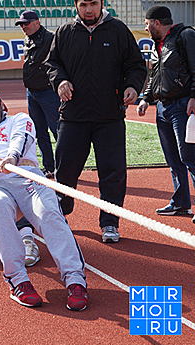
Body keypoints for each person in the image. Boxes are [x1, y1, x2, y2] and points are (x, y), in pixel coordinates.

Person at [0, 88, 87, 310]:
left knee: (49, 212)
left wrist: (11, 158)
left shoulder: (20, 119)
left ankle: (75, 279)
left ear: (2, 106)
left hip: (27, 177)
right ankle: (18, 281)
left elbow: (21, 139)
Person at [46, 0, 147, 243]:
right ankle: (61, 214)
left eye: (93, 4)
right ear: (76, 5)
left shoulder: (118, 30)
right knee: (66, 171)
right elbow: (52, 63)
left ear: (101, 4)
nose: (89, 9)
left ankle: (110, 223)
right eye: (83, 4)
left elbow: (135, 65)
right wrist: (59, 80)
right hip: (73, 116)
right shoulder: (64, 32)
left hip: (109, 117)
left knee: (112, 173)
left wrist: (132, 86)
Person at [137, 5, 195, 221]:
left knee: (190, 157)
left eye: (147, 24)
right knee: (173, 159)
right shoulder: (156, 45)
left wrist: (194, 97)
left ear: (156, 23)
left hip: (182, 106)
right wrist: (146, 98)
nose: (146, 28)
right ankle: (181, 204)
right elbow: (154, 76)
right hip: (162, 108)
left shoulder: (186, 35)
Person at [15, 10, 60, 178]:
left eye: (26, 23)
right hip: (32, 93)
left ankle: (64, 167)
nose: (23, 27)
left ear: (37, 22)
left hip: (48, 92)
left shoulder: (50, 38)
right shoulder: (28, 39)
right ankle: (49, 167)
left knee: (57, 130)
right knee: (39, 132)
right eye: (21, 24)